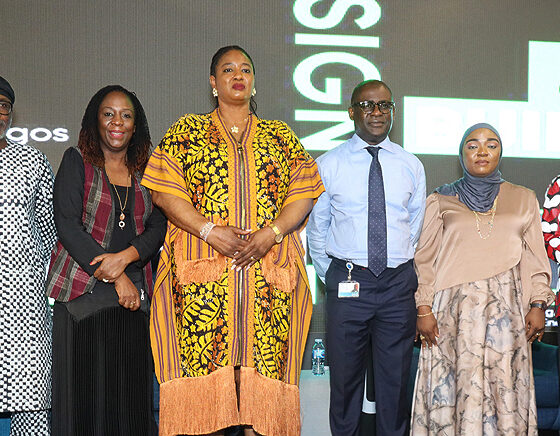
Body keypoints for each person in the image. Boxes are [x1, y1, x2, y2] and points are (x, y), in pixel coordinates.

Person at [141, 45, 324, 436]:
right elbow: (164, 191)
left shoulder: (280, 135)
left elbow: (304, 192)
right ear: (213, 82)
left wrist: (272, 233)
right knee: (205, 410)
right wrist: (208, 230)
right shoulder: (187, 131)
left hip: (266, 284)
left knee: (262, 406)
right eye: (228, 69)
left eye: (245, 69)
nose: (238, 75)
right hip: (201, 288)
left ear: (253, 82)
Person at [412, 123, 554, 435]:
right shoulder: (440, 199)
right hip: (452, 316)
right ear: (461, 154)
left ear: (500, 153)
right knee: (454, 391)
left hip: (507, 315)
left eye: (491, 145)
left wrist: (538, 304)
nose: (482, 152)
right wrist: (423, 308)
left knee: (503, 391)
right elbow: (424, 259)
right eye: (473, 145)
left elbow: (535, 258)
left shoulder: (524, 198)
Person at [307, 79, 426, 436]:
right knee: (345, 384)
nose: (377, 112)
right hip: (348, 282)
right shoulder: (328, 164)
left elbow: (414, 226)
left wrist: (392, 264)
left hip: (397, 285)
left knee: (395, 384)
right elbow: (317, 229)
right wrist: (336, 275)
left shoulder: (410, 164)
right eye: (367, 105)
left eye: (384, 105)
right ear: (351, 112)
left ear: (393, 111)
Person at [46, 85, 166, 435]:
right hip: (83, 300)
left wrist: (127, 258)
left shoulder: (148, 170)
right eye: (108, 114)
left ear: (136, 125)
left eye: (126, 115)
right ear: (95, 120)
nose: (117, 122)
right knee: (84, 406)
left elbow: (159, 226)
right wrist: (118, 276)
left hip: (133, 305)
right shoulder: (76, 161)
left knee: (130, 406)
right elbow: (68, 226)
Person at [0, 77, 56, 435]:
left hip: (23, 301)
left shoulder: (32, 160)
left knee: (30, 403)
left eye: (3, 106)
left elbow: (48, 231)